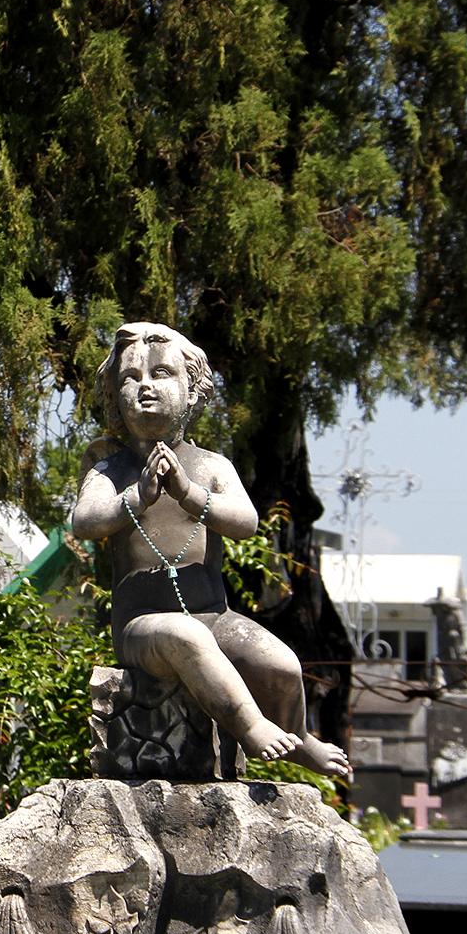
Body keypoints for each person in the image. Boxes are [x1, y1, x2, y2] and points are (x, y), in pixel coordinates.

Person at [70, 322, 350, 778]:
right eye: (130, 378)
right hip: (144, 627)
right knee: (186, 638)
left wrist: (187, 493)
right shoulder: (109, 468)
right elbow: (85, 522)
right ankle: (251, 725)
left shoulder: (213, 466)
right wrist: (137, 497)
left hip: (214, 616)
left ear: (192, 388)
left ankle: (298, 738)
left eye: (161, 374)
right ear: (115, 397)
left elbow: (246, 523)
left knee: (280, 663)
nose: (145, 388)